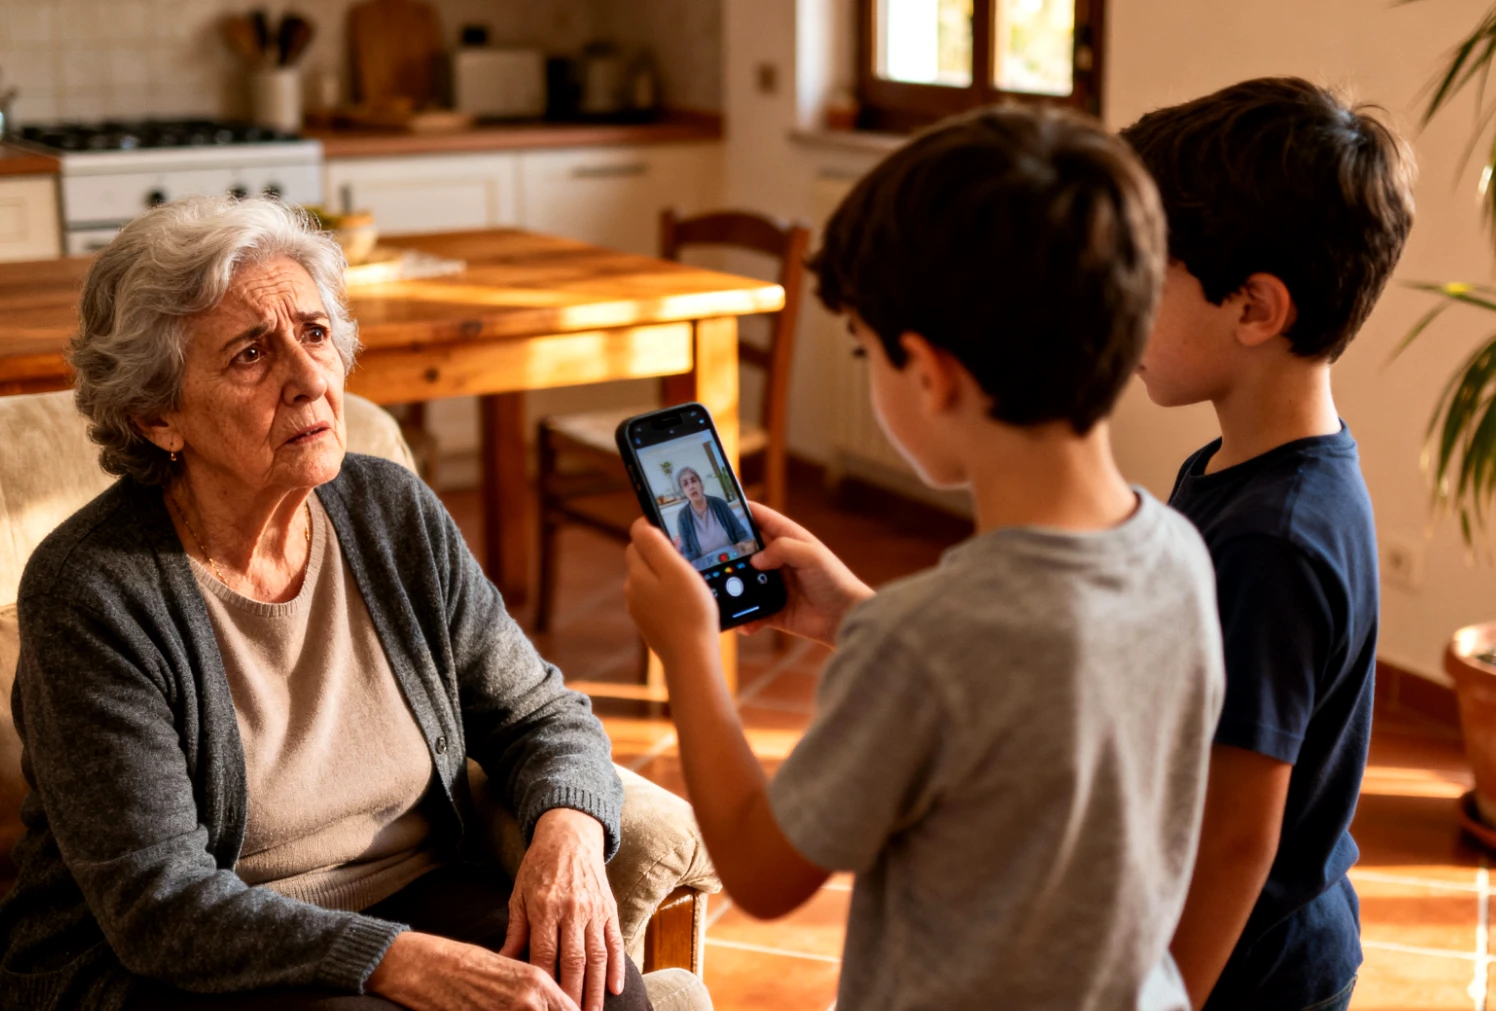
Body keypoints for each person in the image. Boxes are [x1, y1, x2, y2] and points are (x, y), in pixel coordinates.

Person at [622, 105, 1226, 1011]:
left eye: (868, 350)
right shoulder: (1177, 549)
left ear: (933, 374)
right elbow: (1030, 689)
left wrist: (691, 653)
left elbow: (761, 866)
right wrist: (854, 615)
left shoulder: (925, 644)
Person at [0, 196, 655, 1011]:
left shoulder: (391, 512)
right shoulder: (92, 590)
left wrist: (567, 835)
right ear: (158, 416)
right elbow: (157, 903)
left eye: (314, 334)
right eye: (250, 354)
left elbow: (541, 715)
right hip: (186, 959)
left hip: (409, 897)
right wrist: (402, 961)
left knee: (605, 993)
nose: (310, 377)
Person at [1120, 78, 1416, 1011]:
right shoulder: (1242, 474)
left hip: (1247, 980)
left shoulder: (1272, 542)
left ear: (1255, 308)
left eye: (1140, 268)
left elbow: (1237, 842)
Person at [670, 466, 749, 565]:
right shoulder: (683, 516)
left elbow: (740, 532)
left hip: (732, 557)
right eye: (685, 484)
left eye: (693, 481)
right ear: (683, 492)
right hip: (706, 565)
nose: (691, 487)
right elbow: (688, 553)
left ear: (701, 484)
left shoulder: (719, 503)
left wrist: (745, 547)